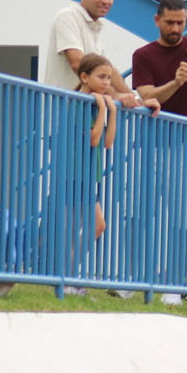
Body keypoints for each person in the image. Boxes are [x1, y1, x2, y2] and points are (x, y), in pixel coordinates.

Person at [43, 0, 157, 111]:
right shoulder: (68, 16)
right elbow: (78, 64)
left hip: (82, 119)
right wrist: (116, 95)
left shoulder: (94, 27)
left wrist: (136, 101)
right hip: (61, 119)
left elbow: (110, 73)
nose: (105, 0)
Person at [75, 53, 119, 240]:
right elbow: (93, 140)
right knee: (97, 226)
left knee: (88, 227)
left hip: (88, 175)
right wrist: (102, 110)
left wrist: (113, 112)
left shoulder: (95, 103)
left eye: (109, 78)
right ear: (84, 77)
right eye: (101, 77)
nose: (106, 82)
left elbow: (107, 143)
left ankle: (65, 267)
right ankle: (66, 267)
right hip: (76, 176)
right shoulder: (79, 102)